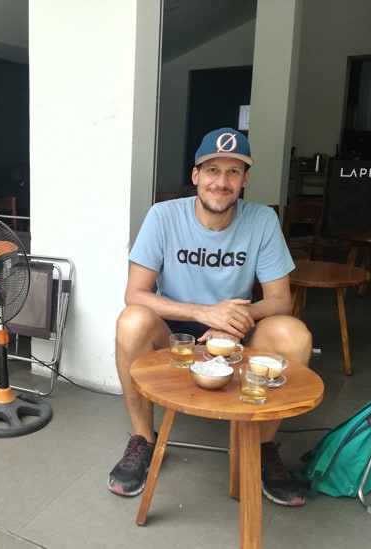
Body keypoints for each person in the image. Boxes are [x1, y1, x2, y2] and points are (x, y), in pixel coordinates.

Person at [108, 128, 312, 507]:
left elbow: (281, 300)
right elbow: (134, 293)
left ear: (245, 179)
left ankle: (263, 447)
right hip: (175, 329)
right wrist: (205, 312)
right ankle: (143, 439)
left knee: (294, 334)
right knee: (131, 319)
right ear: (196, 175)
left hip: (237, 330)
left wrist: (234, 317)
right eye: (213, 170)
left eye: (234, 172)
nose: (222, 182)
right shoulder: (163, 216)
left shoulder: (262, 219)